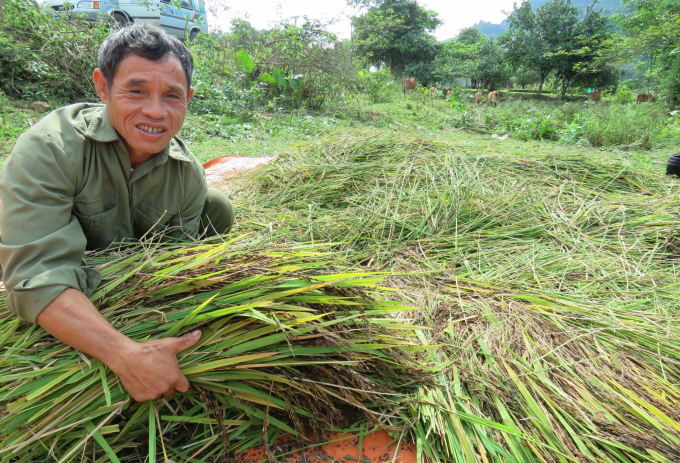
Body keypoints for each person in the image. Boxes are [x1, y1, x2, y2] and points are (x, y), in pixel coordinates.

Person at [0, 23, 234, 402]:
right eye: (136, 91)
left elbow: (174, 264)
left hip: (122, 276)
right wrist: (126, 354)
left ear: (188, 98)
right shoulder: (51, 148)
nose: (155, 112)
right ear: (103, 86)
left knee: (218, 206)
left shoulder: (186, 170)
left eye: (172, 96)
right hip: (65, 269)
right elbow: (36, 277)